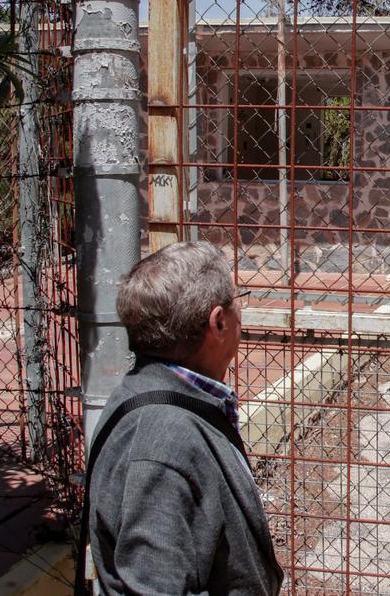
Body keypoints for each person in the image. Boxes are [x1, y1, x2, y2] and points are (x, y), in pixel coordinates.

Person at [85, 241, 283, 595]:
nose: (242, 312)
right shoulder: (162, 441)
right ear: (218, 322)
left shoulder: (150, 394)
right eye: (238, 301)